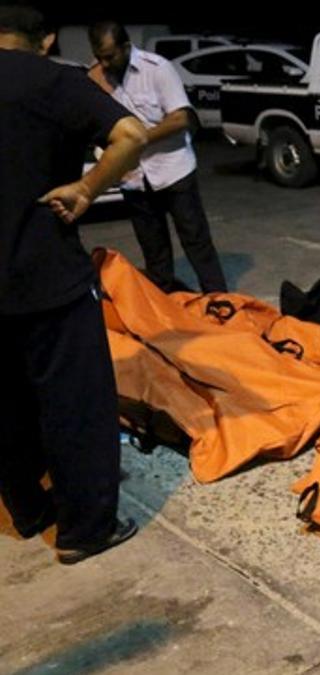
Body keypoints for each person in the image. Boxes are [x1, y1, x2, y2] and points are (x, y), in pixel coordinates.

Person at [0, 5, 149, 564]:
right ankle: (86, 528)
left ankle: (30, 508)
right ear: (47, 40)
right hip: (45, 276)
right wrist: (88, 187)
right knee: (75, 403)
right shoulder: (54, 80)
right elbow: (131, 136)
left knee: (7, 404)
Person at [88, 20, 228, 293]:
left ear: (126, 47)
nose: (104, 64)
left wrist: (137, 141)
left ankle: (219, 300)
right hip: (134, 179)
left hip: (172, 170)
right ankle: (165, 308)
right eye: (99, 57)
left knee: (196, 241)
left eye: (109, 56)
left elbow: (181, 118)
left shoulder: (157, 69)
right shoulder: (98, 77)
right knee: (154, 251)